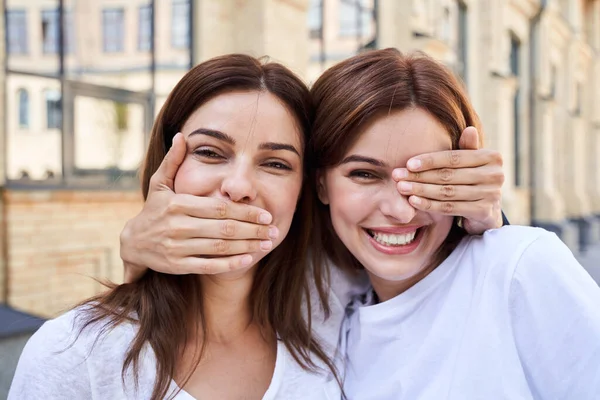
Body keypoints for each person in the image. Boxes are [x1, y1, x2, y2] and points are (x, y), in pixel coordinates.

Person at [9, 54, 342, 400]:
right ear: (164, 167)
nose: (239, 186)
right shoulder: (72, 353)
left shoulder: (330, 328)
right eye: (210, 152)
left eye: (275, 163)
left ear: (303, 191)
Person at [309, 49, 600, 399]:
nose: (400, 211)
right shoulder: (327, 319)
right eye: (365, 174)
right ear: (321, 183)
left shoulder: (519, 268)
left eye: (426, 176)